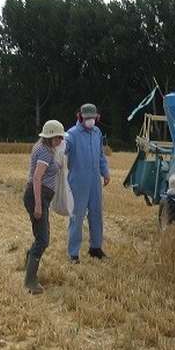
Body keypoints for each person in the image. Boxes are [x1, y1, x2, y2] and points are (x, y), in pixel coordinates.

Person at [23, 120, 66, 294]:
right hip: (37, 198)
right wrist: (39, 205)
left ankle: (28, 262)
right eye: (58, 137)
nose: (60, 140)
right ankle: (30, 282)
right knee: (43, 240)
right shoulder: (45, 153)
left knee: (41, 235)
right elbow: (37, 178)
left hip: (37, 197)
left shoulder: (43, 147)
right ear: (50, 137)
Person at [65, 103, 110, 263]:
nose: (90, 121)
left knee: (96, 214)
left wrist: (105, 172)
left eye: (93, 118)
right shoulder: (71, 134)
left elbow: (100, 155)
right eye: (87, 118)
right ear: (80, 117)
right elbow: (63, 149)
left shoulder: (97, 132)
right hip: (78, 181)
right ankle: (73, 253)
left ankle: (95, 248)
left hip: (94, 182)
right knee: (77, 217)